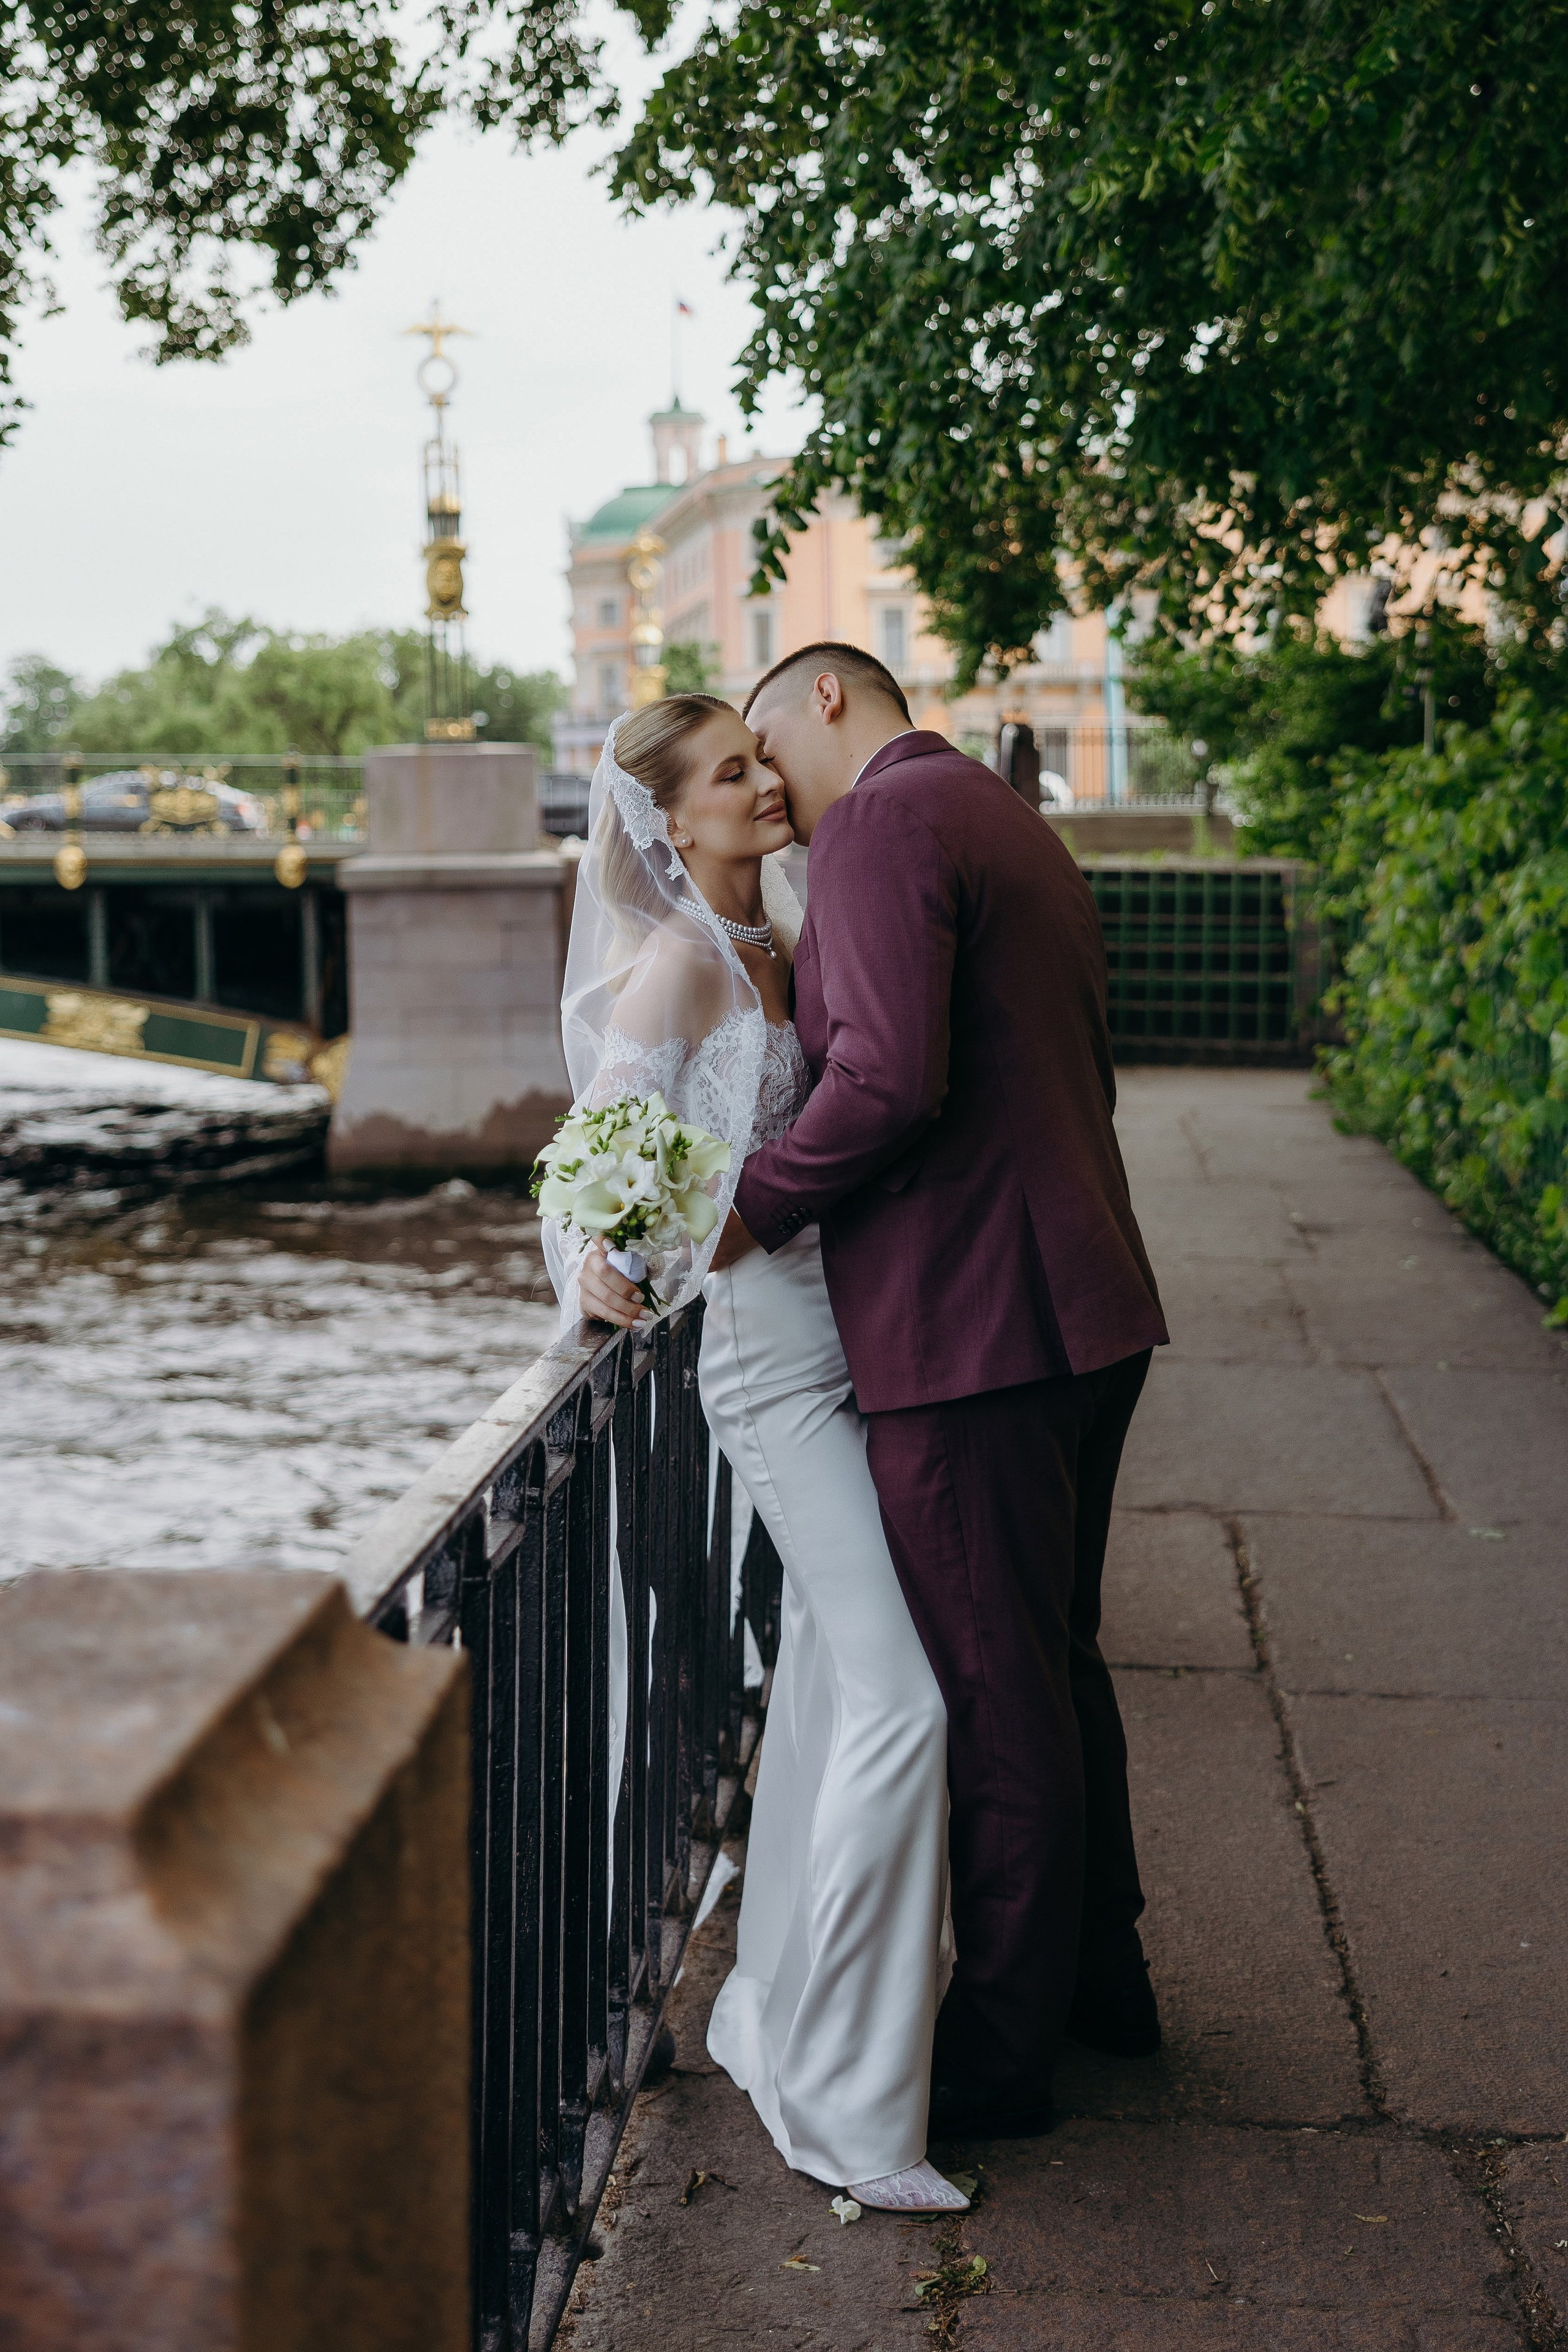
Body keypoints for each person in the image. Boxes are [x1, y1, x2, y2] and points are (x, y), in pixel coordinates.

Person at [726, 642, 1169, 2138]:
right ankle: (1102, 1988)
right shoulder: (996, 810)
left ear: (828, 699)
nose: (761, 772)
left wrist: (749, 1204)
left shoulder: (877, 823)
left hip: (969, 1325)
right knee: (1056, 1660)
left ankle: (998, 2054)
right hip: (1079, 1300)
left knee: (992, 1695)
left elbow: (883, 1079)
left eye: (762, 731)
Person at [552, 695, 967, 2214]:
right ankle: (849, 2101)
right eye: (729, 772)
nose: (762, 782)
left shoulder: (783, 929)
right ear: (670, 820)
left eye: (757, 754)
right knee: (903, 1697)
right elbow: (597, 1145)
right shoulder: (676, 965)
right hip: (765, 1366)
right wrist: (594, 1257)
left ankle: (777, 2009)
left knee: (823, 1691)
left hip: (857, 1344)